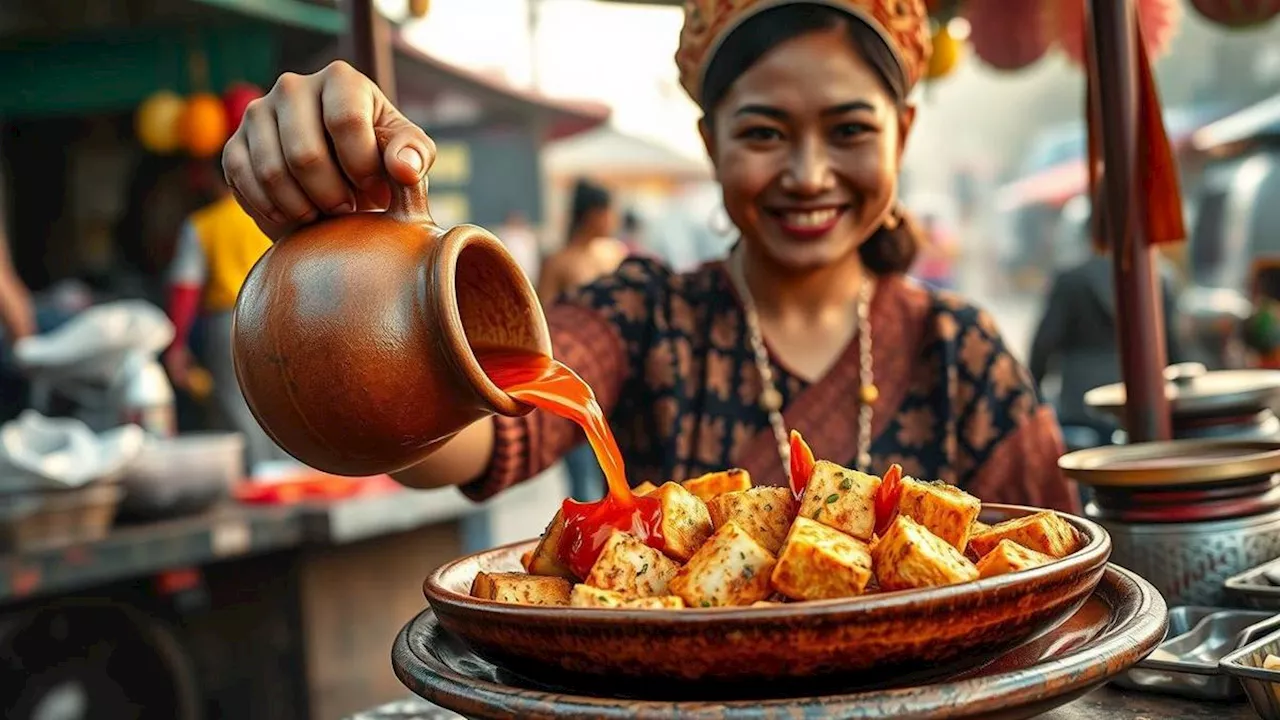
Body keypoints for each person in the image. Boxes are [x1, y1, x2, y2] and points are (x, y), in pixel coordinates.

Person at [221, 0, 1079, 511]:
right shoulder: (646, 319)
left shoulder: (960, 352)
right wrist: (368, 274)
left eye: (849, 130)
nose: (808, 174)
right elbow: (470, 443)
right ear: (709, 143)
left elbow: (1056, 567)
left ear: (905, 134)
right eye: (764, 133)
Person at [1029, 184, 1185, 441]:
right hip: (1144, 406)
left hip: (1080, 404)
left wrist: (1031, 403)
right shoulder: (1159, 280)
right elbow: (1174, 350)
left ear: (1091, 228)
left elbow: (1043, 346)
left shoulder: (1071, 280)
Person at [165, 161, 289, 471]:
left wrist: (177, 344)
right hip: (280, 314)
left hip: (230, 322)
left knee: (238, 402)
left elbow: (186, 287)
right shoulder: (272, 214)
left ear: (211, 178)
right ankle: (290, 468)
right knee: (285, 395)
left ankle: (259, 471)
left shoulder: (203, 224)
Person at [536, 179, 628, 307]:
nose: (613, 220)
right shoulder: (556, 263)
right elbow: (545, 315)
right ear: (592, 215)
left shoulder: (614, 253)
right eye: (608, 214)